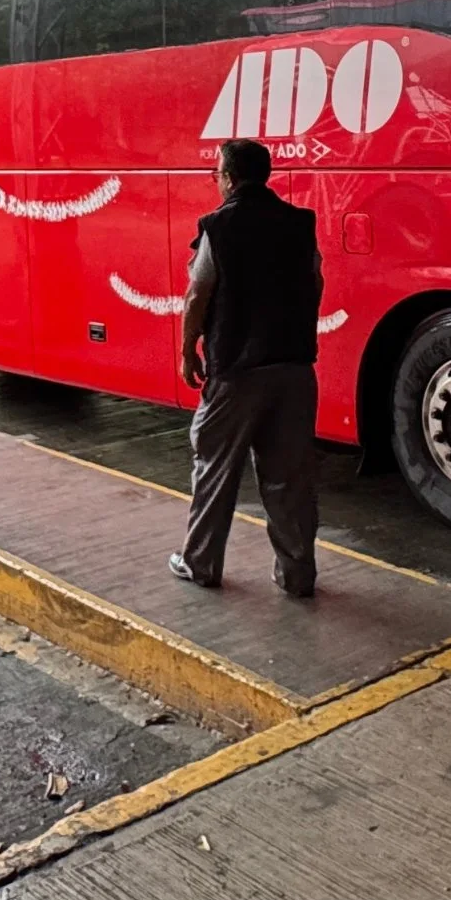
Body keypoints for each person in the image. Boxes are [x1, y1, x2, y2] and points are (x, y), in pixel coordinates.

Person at [170, 139, 325, 597]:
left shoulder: (220, 227)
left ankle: (200, 564)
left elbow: (198, 294)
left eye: (216, 172)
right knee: (290, 476)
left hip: (237, 369)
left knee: (216, 467)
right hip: (295, 368)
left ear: (230, 178)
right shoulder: (300, 224)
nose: (215, 180)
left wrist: (186, 350)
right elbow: (316, 281)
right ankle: (297, 575)